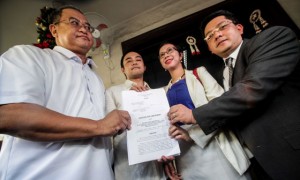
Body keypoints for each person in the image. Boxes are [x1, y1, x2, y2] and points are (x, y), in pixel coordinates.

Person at [0, 5, 131, 180]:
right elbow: (9, 115)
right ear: (54, 30)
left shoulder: (96, 78)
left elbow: (107, 128)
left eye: (88, 27)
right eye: (74, 22)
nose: (84, 29)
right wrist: (100, 126)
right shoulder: (28, 56)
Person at [167, 10, 300, 180]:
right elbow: (230, 112)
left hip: (290, 149)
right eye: (210, 36)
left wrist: (194, 114)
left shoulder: (272, 38)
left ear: (239, 28)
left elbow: (254, 87)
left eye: (222, 27)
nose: (217, 34)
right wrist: (190, 134)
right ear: (209, 48)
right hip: (257, 159)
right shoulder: (224, 73)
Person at [158, 42, 252, 180]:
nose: (166, 55)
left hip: (214, 146)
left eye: (170, 50)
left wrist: (192, 134)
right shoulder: (162, 93)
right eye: (162, 55)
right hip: (184, 158)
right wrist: (169, 159)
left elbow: (221, 107)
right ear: (161, 63)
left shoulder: (199, 73)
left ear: (179, 55)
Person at [105, 51, 166, 180]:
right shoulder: (112, 92)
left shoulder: (157, 94)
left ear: (144, 66)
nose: (134, 62)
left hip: (157, 165)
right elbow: (109, 127)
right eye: (128, 60)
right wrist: (132, 101)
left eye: (138, 59)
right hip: (127, 166)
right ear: (123, 69)